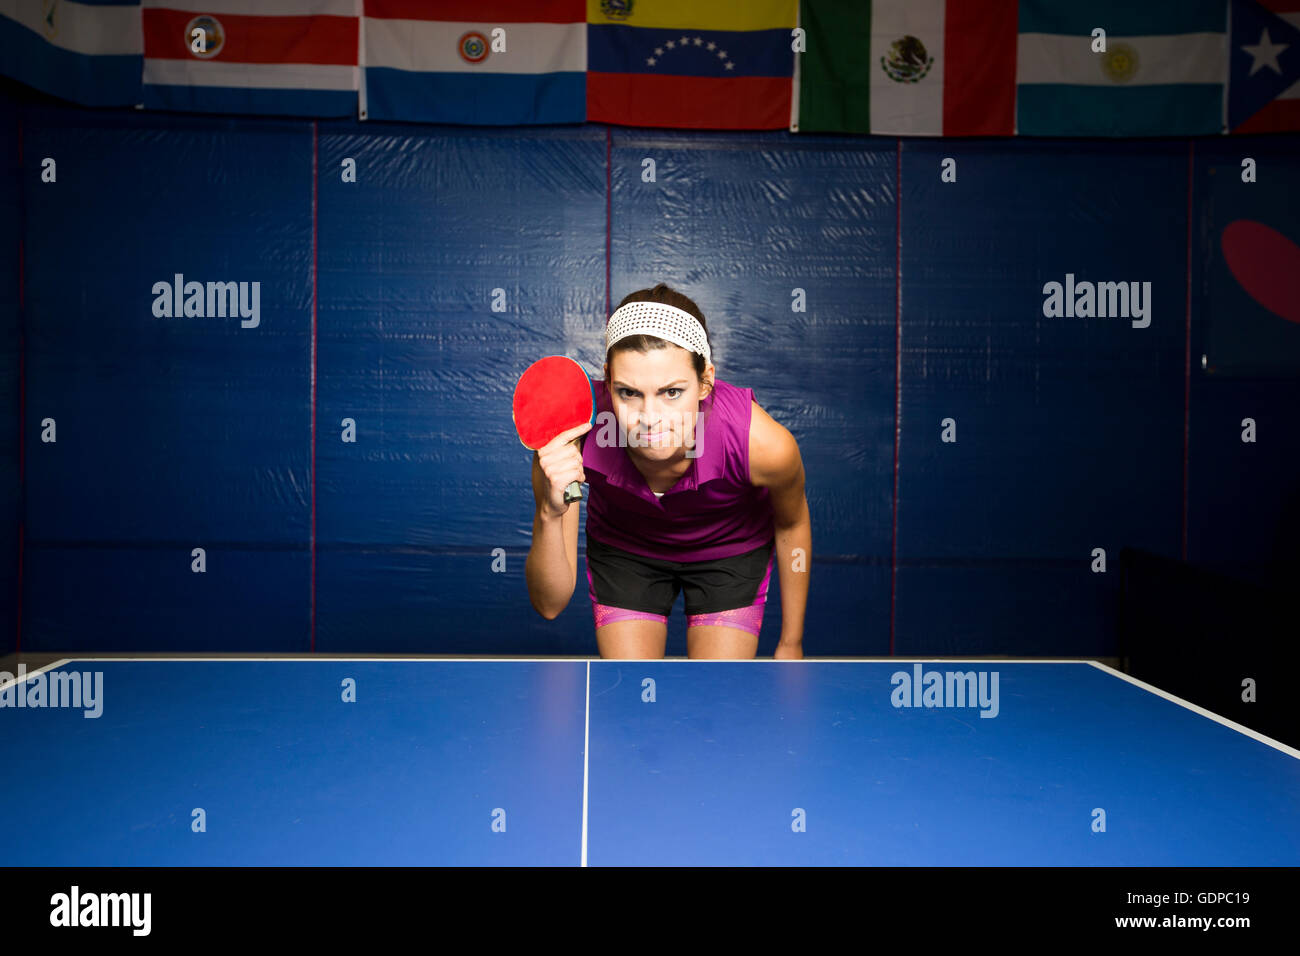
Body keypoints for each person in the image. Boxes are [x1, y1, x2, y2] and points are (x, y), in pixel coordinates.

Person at [526, 283, 810, 659]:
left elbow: (791, 525)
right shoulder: (574, 435)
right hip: (627, 549)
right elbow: (550, 604)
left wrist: (791, 643)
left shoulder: (762, 445)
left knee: (719, 698)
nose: (650, 418)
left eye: (672, 392)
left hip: (727, 549)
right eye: (629, 393)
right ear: (608, 381)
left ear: (705, 381)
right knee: (633, 692)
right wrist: (549, 511)